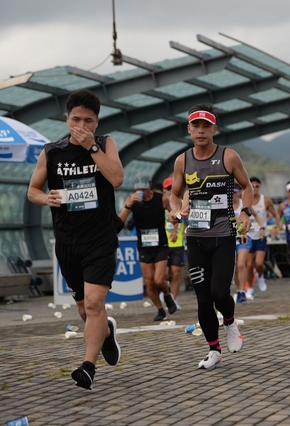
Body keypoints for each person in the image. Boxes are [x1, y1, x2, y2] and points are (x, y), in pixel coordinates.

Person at [27, 89, 124, 389]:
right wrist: (46, 199)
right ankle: (105, 331)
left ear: (97, 122)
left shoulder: (105, 144)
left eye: (88, 121)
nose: (81, 126)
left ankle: (88, 367)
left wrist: (91, 147)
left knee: (94, 304)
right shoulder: (52, 152)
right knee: (85, 309)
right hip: (68, 242)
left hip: (100, 239)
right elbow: (32, 191)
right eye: (76, 119)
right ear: (66, 119)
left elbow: (117, 178)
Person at [168, 103, 251, 370]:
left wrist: (245, 212)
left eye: (206, 126)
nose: (201, 131)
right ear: (189, 129)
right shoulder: (182, 160)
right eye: (196, 126)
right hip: (195, 237)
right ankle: (214, 350)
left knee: (219, 292)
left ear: (214, 129)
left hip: (223, 235)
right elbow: (174, 194)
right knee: (203, 298)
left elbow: (247, 187)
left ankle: (229, 321)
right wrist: (175, 210)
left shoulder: (228, 156)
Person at [119, 172, 178, 321]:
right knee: (149, 281)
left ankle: (167, 295)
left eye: (144, 189)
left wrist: (175, 229)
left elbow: (173, 214)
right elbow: (120, 221)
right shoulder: (132, 201)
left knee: (159, 280)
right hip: (144, 246)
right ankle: (160, 310)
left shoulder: (161, 199)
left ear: (150, 186)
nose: (141, 192)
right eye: (139, 189)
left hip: (160, 244)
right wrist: (128, 205)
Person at [246, 177, 279, 293]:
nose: (254, 188)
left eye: (257, 186)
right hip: (248, 235)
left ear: (260, 187)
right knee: (249, 264)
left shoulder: (265, 200)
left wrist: (274, 228)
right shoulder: (245, 200)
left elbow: (276, 215)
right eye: (252, 186)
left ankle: (260, 276)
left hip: (261, 235)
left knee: (259, 263)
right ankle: (250, 287)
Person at [163, 177, 187, 302]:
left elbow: (187, 219)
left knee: (176, 272)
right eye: (168, 188)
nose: (170, 191)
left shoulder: (182, 203)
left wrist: (183, 231)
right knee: (164, 274)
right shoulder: (161, 204)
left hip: (178, 243)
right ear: (164, 190)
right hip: (163, 243)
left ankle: (173, 299)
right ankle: (166, 293)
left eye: (172, 188)